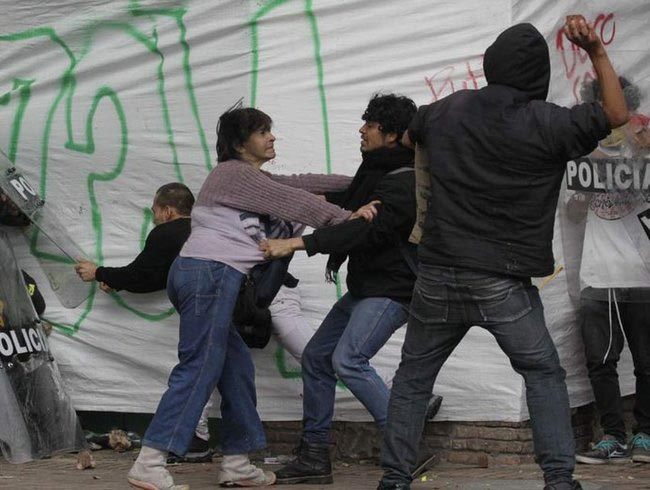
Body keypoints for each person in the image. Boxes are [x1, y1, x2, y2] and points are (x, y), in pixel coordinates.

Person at [376, 16, 627, 490]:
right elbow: (614, 114)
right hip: (502, 281)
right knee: (543, 373)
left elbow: (408, 138)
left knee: (413, 379)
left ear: (491, 64)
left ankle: (393, 479)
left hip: (437, 275)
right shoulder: (549, 122)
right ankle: (558, 480)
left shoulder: (446, 110)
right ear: (538, 75)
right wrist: (595, 50)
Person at [126, 105, 376, 490]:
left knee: (236, 367)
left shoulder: (253, 178)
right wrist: (350, 217)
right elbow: (298, 202)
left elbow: (300, 183)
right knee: (200, 365)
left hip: (209, 276)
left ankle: (238, 461)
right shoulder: (231, 174)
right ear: (241, 144)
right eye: (262, 133)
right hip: (206, 274)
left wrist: (364, 181)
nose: (271, 137)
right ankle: (152, 458)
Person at [262, 93, 440, 484]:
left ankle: (406, 449)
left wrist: (297, 243)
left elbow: (364, 228)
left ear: (392, 134)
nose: (362, 130)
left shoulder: (405, 180)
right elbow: (346, 204)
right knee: (317, 359)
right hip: (367, 287)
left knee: (349, 360)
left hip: (393, 291)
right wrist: (279, 194)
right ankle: (314, 456)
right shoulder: (372, 175)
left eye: (370, 124)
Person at [566, 77, 650, 465]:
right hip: (598, 275)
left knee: (647, 362)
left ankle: (645, 435)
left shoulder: (644, 148)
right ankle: (613, 435)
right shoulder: (585, 154)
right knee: (601, 362)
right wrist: (589, 180)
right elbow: (572, 213)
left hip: (643, 275)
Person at [75, 182, 194, 294]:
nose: (154, 220)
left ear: (167, 211)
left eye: (155, 212)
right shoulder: (199, 231)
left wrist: (97, 273)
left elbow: (139, 276)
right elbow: (159, 278)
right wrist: (115, 281)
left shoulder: (167, 232)